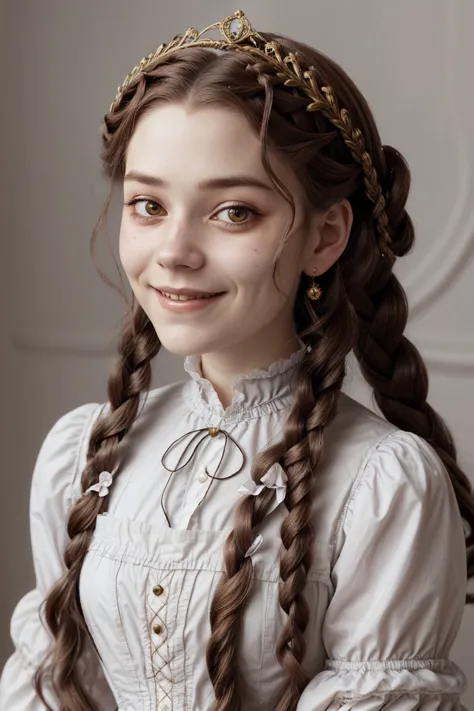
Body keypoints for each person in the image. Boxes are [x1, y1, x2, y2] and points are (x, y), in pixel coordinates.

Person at [0, 9, 472, 711]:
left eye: (233, 212)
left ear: (326, 234)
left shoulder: (383, 487)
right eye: (148, 204)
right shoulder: (81, 456)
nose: (175, 251)